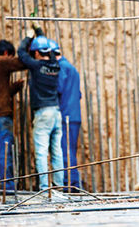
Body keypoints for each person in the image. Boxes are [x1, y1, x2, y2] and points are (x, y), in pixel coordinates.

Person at [17, 24, 64, 192]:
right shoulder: (55, 65)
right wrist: (39, 32)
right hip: (56, 112)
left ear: (36, 53)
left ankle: (44, 188)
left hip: (43, 113)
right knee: (57, 151)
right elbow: (48, 49)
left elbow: (21, 53)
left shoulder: (36, 67)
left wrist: (29, 36)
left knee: (42, 152)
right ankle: (59, 186)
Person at [0, 40, 26, 191]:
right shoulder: (1, 62)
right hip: (1, 115)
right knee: (5, 152)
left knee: (0, 152)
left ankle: (5, 187)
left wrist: (14, 87)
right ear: (7, 54)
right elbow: (22, 63)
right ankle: (8, 189)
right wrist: (25, 45)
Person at [48, 39, 82, 190]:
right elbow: (78, 94)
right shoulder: (72, 68)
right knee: (70, 151)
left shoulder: (61, 68)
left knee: (65, 152)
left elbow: (58, 88)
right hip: (75, 115)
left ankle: (71, 186)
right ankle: (72, 184)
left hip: (66, 116)